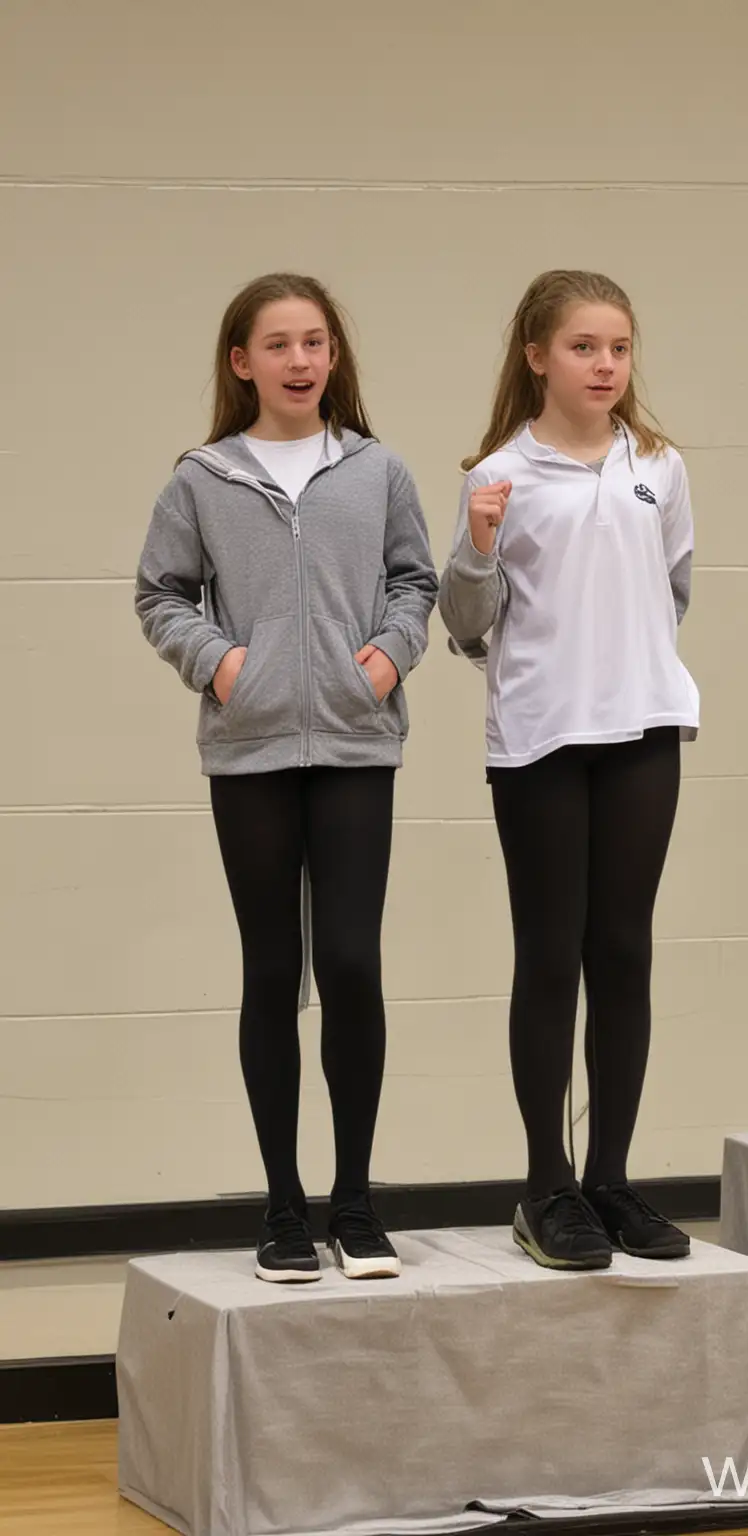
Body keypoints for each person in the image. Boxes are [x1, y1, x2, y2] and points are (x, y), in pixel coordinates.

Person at [135, 272, 437, 1279]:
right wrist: (222, 662)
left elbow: (414, 579)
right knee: (274, 971)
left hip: (357, 745)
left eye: (315, 342)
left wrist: (390, 654)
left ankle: (356, 1203)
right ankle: (284, 1209)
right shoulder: (202, 479)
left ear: (333, 357)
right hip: (252, 750)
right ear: (242, 362)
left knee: (351, 963)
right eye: (278, 344)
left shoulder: (376, 469)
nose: (301, 360)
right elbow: (161, 593)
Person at [439, 270, 698, 1269]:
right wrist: (476, 548)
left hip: (644, 727)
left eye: (620, 348)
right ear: (537, 356)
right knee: (551, 954)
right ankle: (547, 1185)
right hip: (542, 739)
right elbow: (466, 627)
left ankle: (612, 1180)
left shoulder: (660, 467)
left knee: (623, 951)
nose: (605, 365)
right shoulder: (497, 476)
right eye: (585, 347)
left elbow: (672, 588)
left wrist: (626, 670)